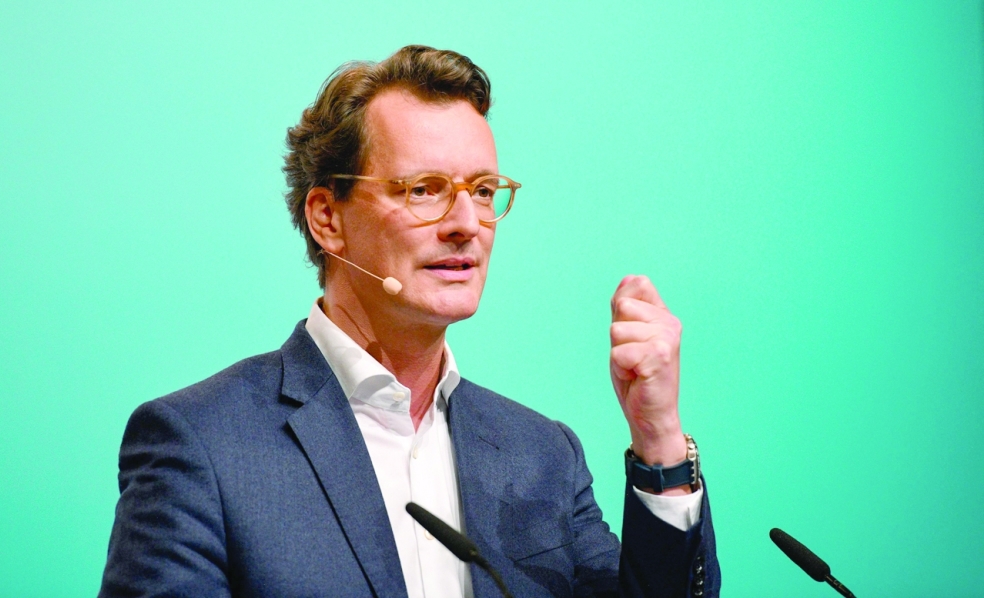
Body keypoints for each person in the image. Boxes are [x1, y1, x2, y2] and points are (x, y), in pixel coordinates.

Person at [99, 45, 720, 598]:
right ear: (327, 217)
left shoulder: (542, 455)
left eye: (482, 190)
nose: (466, 223)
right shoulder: (201, 444)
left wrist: (659, 440)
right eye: (423, 189)